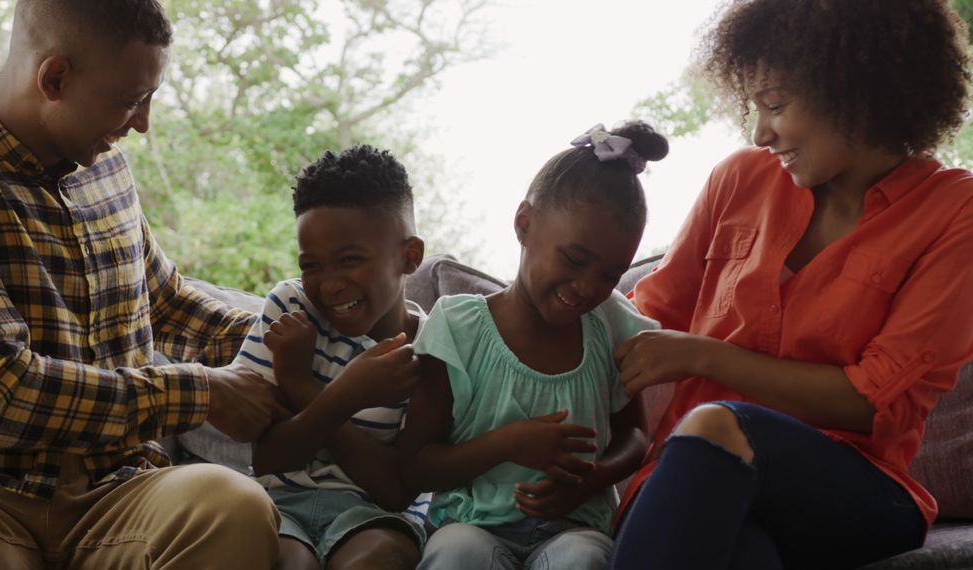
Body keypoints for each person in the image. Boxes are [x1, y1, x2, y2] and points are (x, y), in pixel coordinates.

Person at [0, 1, 294, 568]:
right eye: (130, 101)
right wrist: (201, 391)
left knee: (232, 504)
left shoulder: (106, 169)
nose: (144, 123)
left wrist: (306, 330)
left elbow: (169, 307)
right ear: (54, 77)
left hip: (119, 493)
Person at [609, 1, 973, 568]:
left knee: (714, 423)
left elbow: (871, 403)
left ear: (852, 88)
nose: (760, 133)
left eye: (775, 106)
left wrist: (709, 358)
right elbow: (638, 320)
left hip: (854, 490)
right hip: (691, 475)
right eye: (754, 108)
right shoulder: (739, 179)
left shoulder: (955, 213)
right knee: (741, 551)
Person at [397, 122, 666, 570]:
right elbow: (415, 466)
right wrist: (508, 443)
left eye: (609, 275)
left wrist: (591, 479)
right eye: (575, 260)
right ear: (524, 224)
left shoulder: (608, 327)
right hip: (471, 524)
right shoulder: (458, 329)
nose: (586, 287)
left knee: (583, 559)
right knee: (456, 553)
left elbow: (635, 436)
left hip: (574, 526)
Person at [233, 145, 430, 570]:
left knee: (375, 559)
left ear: (409, 256)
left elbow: (396, 489)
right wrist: (348, 394)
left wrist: (302, 386)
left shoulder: (434, 349)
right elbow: (267, 458)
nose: (329, 285)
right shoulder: (290, 310)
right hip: (278, 502)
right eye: (312, 265)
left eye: (349, 260)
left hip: (380, 517)